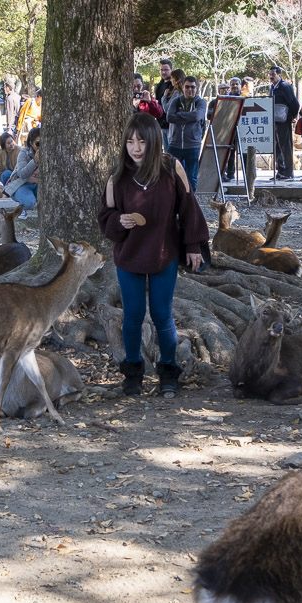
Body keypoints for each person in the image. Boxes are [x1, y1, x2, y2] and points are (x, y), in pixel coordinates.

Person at [97, 112, 207, 398]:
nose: (135, 148)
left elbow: (190, 207)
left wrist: (194, 246)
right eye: (130, 141)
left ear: (154, 142)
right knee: (133, 315)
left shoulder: (172, 168)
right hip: (129, 256)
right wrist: (119, 221)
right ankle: (133, 373)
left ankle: (168, 371)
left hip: (164, 253)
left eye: (142, 141)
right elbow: (105, 216)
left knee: (162, 314)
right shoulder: (117, 177)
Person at [165, 75, 207, 192]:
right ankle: (175, 202)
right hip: (175, 144)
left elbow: (198, 115)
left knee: (192, 178)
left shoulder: (201, 102)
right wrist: (190, 117)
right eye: (187, 87)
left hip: (193, 145)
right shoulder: (176, 101)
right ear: (183, 87)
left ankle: (191, 203)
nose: (190, 90)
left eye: (192, 87)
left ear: (196, 88)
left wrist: (179, 116)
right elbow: (169, 117)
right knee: (173, 176)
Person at [268, 65, 299, 181]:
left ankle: (288, 171)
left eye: (273, 74)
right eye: (270, 74)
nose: (271, 76)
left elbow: (295, 103)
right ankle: (280, 171)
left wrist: (293, 116)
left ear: (279, 74)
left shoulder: (285, 86)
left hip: (284, 120)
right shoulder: (272, 87)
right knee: (277, 147)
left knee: (286, 146)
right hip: (275, 121)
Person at [3, 128, 40, 219]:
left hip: (39, 184)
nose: (40, 147)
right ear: (31, 143)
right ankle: (21, 208)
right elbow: (22, 174)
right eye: (38, 144)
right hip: (22, 184)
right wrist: (34, 162)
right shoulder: (24, 152)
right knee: (29, 202)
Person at [154, 59, 174, 144]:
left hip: (171, 125)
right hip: (160, 124)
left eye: (166, 70)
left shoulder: (173, 86)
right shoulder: (159, 85)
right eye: (161, 70)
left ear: (171, 70)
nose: (163, 72)